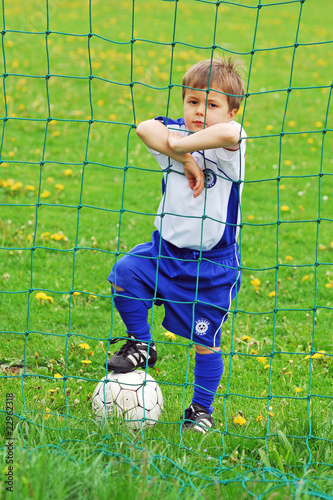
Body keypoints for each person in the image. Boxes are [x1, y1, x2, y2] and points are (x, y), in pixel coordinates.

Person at [105, 57, 246, 433]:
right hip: (164, 253)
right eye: (192, 102)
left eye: (212, 105)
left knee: (206, 343)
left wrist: (180, 144)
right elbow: (144, 127)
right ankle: (142, 343)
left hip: (212, 267)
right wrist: (183, 156)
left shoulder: (232, 145)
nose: (199, 111)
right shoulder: (175, 134)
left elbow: (228, 135)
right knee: (124, 273)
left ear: (232, 111)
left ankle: (200, 410)